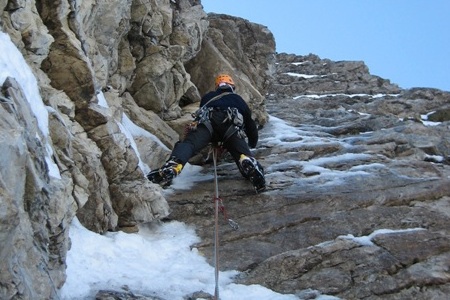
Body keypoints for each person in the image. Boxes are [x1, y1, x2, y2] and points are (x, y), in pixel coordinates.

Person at [147, 73, 266, 192]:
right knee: (241, 153)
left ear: (217, 86)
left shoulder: (208, 96)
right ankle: (246, 161)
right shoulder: (237, 99)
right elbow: (250, 124)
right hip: (229, 125)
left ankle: (175, 163)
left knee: (189, 144)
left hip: (208, 123)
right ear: (231, 87)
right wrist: (252, 142)